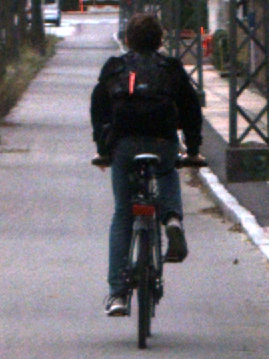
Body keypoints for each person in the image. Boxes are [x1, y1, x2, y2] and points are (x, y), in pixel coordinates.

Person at [90, 13, 203, 316]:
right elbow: (191, 109)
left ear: (127, 40)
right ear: (160, 40)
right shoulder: (171, 68)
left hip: (125, 146)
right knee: (167, 170)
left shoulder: (114, 67)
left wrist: (103, 148)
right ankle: (172, 218)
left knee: (123, 213)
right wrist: (193, 149)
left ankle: (117, 294)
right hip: (163, 141)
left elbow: (98, 108)